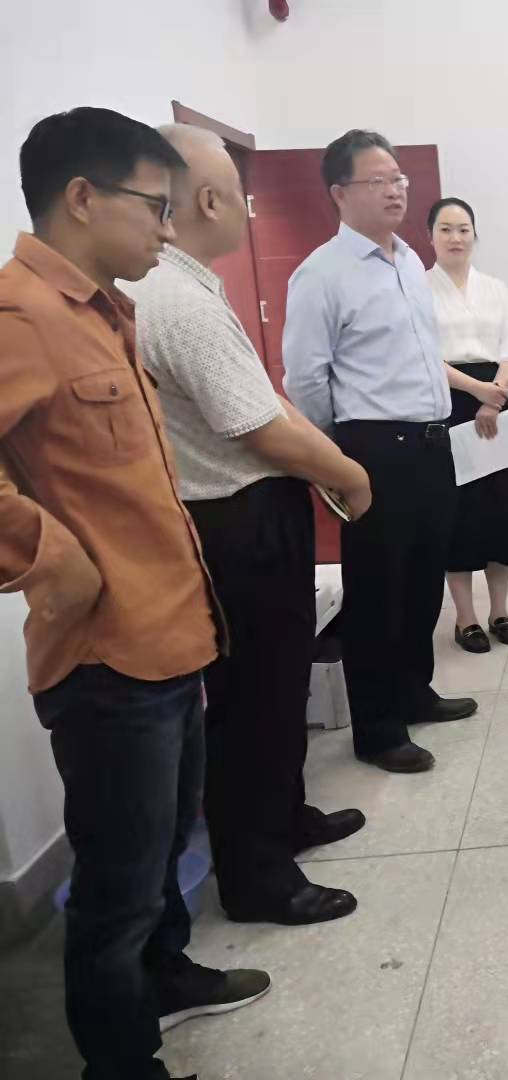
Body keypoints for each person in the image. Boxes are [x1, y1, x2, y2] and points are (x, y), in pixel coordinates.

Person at [0, 107, 268, 1080]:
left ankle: (169, 973)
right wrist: (48, 554)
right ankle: (123, 1064)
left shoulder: (108, 313)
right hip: (107, 658)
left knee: (158, 857)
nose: (167, 226)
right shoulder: (20, 317)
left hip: (169, 634)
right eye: (154, 207)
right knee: (113, 893)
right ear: (82, 197)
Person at [129, 124, 370, 927]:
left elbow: (262, 405)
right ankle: (259, 876)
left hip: (251, 511)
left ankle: (284, 817)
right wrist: (349, 474)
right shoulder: (174, 299)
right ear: (209, 200)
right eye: (241, 193)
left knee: (279, 684)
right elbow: (261, 427)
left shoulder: (188, 286)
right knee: (254, 701)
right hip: (238, 519)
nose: (249, 207)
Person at [283, 129, 476, 774]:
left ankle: (414, 691)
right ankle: (377, 727)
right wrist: (336, 458)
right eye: (378, 180)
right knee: (377, 591)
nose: (395, 190)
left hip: (431, 442)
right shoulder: (322, 274)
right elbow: (306, 379)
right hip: (373, 450)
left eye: (399, 178)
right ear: (339, 193)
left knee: (423, 578)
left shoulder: (409, 263)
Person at [425, 197, 508, 653]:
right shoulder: (418, 289)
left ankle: (500, 611)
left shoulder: (496, 288)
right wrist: (478, 392)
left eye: (463, 229)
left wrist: (496, 394)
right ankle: (466, 618)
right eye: (446, 229)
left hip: (500, 397)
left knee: (501, 508)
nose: (456, 237)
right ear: (430, 236)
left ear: (474, 235)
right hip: (449, 401)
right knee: (459, 512)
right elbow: (425, 355)